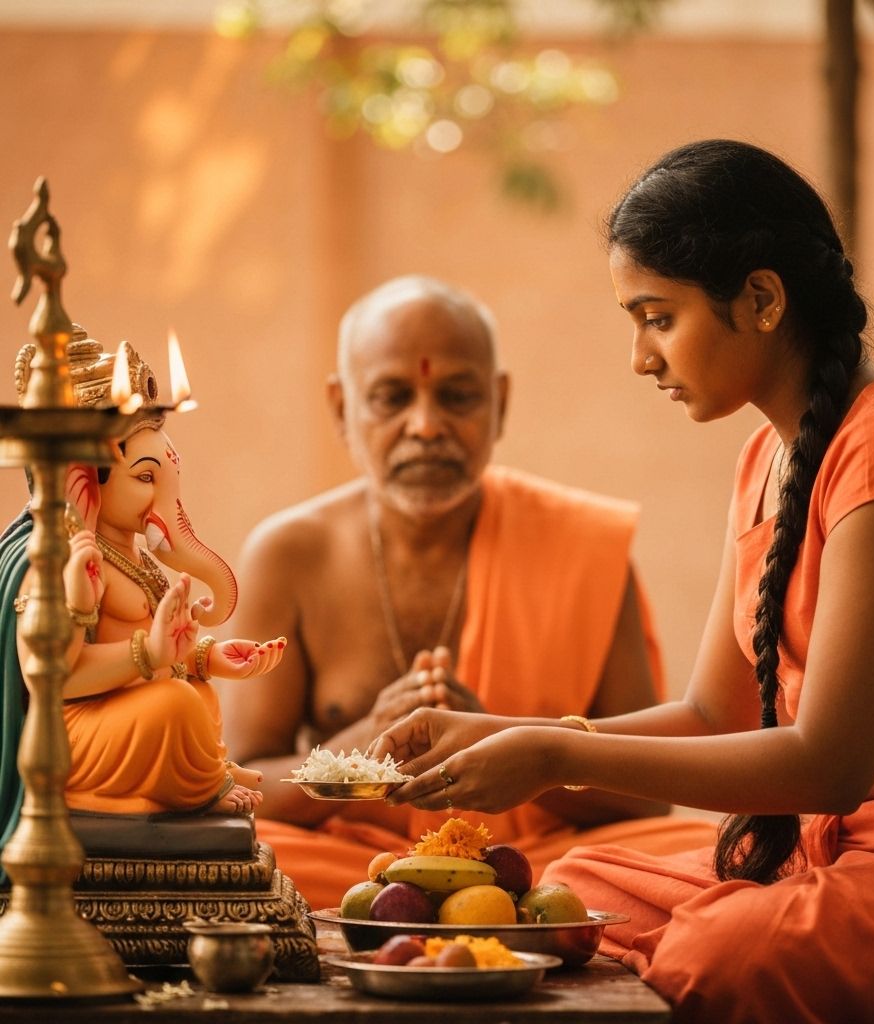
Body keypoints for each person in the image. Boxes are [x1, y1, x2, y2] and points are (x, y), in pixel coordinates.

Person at [371, 141, 874, 1023]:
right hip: (825, 856)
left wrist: (556, 758)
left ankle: (750, 921)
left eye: (657, 318)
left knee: (722, 950)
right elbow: (713, 716)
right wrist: (504, 732)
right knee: (577, 887)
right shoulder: (768, 454)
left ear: (760, 299)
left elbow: (830, 765)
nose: (642, 358)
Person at [219, 275, 719, 910]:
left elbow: (647, 796)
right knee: (236, 856)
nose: (426, 426)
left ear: (500, 402)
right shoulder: (289, 554)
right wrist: (368, 741)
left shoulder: (583, 545)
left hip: (536, 861)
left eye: (457, 397)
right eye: (392, 397)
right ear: (342, 407)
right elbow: (246, 788)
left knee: (693, 848)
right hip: (359, 862)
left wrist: (520, 751)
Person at [1, 336, 286, 870]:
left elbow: (160, 653)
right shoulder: (56, 555)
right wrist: (144, 652)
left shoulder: (124, 550)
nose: (161, 499)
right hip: (63, 740)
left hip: (119, 715)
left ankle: (200, 771)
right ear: (84, 479)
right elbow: (53, 675)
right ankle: (201, 783)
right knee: (173, 705)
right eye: (145, 478)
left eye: (166, 478)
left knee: (191, 694)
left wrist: (205, 657)